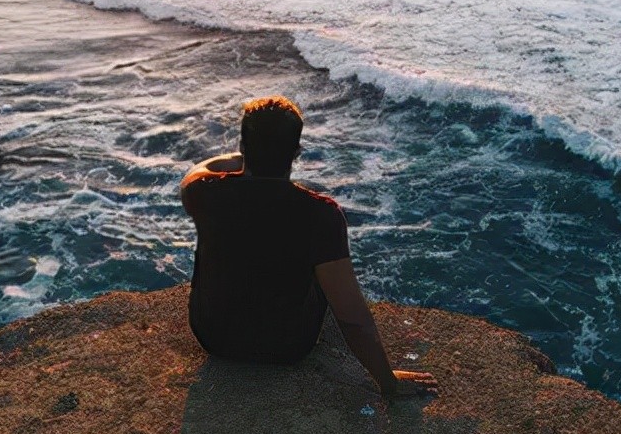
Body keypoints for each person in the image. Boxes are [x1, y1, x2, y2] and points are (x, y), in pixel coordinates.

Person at [181, 95, 437, 399]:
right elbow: (352, 318)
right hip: (287, 346)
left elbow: (197, 170)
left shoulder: (203, 192)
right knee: (323, 271)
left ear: (244, 145)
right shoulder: (321, 214)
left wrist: (244, 159)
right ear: (296, 152)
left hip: (212, 335)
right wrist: (388, 382)